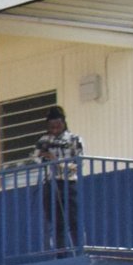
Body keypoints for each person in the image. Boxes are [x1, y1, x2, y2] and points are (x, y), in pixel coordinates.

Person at [35, 106, 86, 249]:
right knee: (56, 222)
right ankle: (60, 253)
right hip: (50, 184)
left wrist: (57, 161)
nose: (55, 128)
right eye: (51, 125)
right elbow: (34, 158)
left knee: (74, 220)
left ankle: (80, 249)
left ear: (63, 122)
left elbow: (79, 163)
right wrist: (43, 155)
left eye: (57, 124)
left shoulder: (75, 139)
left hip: (69, 183)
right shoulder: (43, 140)